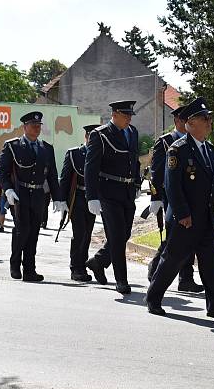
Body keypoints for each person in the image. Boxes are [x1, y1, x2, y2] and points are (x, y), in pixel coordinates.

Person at [146, 97, 214, 318]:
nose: (209, 123)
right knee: (172, 260)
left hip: (206, 218)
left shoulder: (210, 150)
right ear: (190, 123)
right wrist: (182, 214)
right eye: (204, 119)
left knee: (211, 264)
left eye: (209, 118)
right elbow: (172, 186)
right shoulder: (178, 150)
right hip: (185, 220)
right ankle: (153, 298)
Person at [0, 111, 67, 282]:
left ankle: (30, 269)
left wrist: (58, 197)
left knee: (34, 232)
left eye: (39, 125)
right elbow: (2, 171)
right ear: (24, 127)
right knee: (22, 230)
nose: (37, 128)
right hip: (19, 194)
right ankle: (15, 264)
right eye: (33, 125)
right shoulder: (12, 145)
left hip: (38, 194)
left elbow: (52, 175)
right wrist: (7, 190)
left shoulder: (46, 148)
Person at [84, 100, 141, 294]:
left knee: (124, 234)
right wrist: (92, 196)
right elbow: (90, 167)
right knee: (116, 236)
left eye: (130, 115)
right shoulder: (100, 134)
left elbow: (134, 160)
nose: (129, 119)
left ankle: (98, 261)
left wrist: (137, 183)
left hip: (127, 191)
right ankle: (121, 280)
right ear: (114, 114)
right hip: (108, 190)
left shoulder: (132, 132)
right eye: (125, 115)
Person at [147, 105, 204, 293]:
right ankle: (156, 269)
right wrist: (155, 197)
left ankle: (185, 278)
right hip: (170, 198)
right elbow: (156, 172)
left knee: (184, 240)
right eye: (182, 120)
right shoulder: (165, 142)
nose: (185, 123)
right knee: (175, 240)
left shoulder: (195, 142)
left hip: (192, 200)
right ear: (177, 121)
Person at [59, 124, 98, 282]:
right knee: (79, 233)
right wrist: (61, 200)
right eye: (91, 137)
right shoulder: (74, 153)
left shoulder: (100, 154)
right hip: (78, 197)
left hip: (93, 198)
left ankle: (82, 264)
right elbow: (65, 178)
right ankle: (75, 267)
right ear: (86, 137)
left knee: (87, 234)